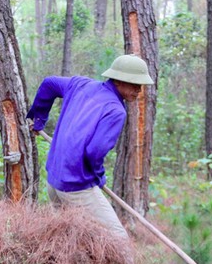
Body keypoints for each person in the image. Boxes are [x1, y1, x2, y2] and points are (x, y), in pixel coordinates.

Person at [26, 54, 154, 240]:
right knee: (118, 239)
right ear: (119, 81)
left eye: (141, 85)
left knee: (67, 238)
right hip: (75, 186)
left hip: (54, 181)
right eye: (134, 84)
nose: (139, 90)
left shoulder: (80, 85)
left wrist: (39, 117)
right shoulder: (115, 111)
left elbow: (49, 83)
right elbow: (94, 152)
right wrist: (99, 177)